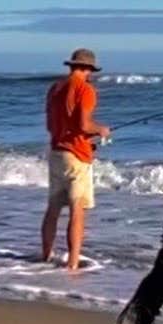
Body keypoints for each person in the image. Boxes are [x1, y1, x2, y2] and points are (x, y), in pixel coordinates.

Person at [41, 48, 111, 269]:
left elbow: (51, 125)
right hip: (77, 156)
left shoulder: (55, 88)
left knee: (53, 209)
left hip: (56, 152)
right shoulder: (85, 89)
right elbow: (83, 125)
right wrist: (101, 130)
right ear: (88, 68)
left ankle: (46, 256)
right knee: (77, 209)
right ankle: (72, 263)